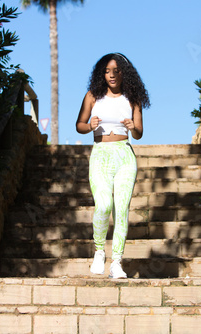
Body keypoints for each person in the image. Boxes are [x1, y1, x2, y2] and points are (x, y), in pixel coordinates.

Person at [75, 52, 150, 278]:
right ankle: (99, 251)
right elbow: (79, 125)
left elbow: (139, 134)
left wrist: (131, 126)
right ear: (102, 74)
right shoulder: (92, 96)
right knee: (104, 205)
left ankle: (117, 261)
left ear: (124, 73)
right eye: (107, 71)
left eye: (116, 71)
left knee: (121, 210)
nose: (111, 75)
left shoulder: (132, 98)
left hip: (124, 155)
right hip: (100, 154)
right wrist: (90, 126)